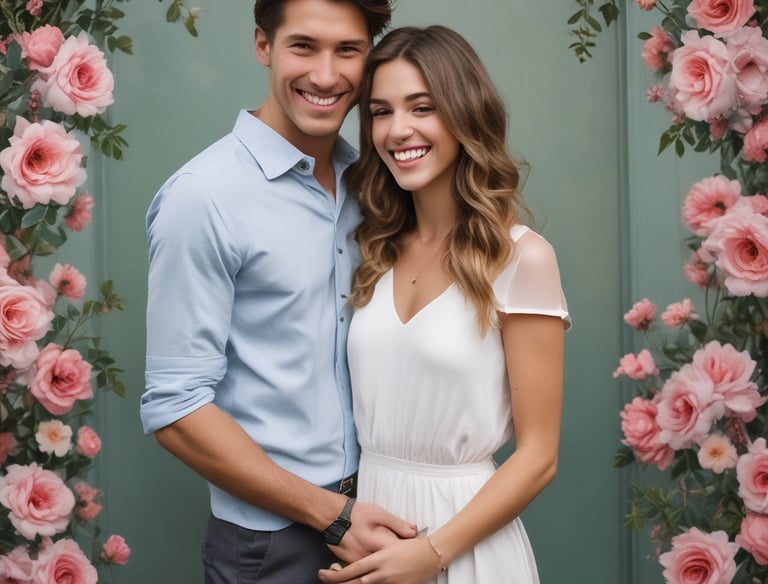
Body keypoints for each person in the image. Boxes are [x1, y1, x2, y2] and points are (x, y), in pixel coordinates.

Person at [139, 1, 418, 582]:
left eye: (347, 50)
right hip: (271, 545)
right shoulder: (204, 197)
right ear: (263, 46)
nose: (325, 75)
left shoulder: (377, 183)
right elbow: (176, 408)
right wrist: (334, 515)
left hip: (384, 521)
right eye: (303, 46)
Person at [318, 25, 571, 584]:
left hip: (466, 541)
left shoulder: (521, 258)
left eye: (422, 107)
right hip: (371, 534)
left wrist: (430, 554)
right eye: (381, 112)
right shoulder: (371, 247)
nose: (398, 129)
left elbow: (538, 456)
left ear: (464, 114)